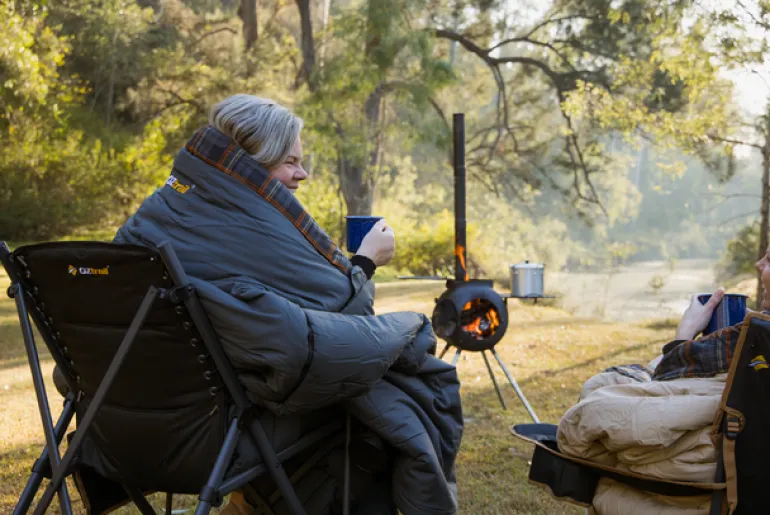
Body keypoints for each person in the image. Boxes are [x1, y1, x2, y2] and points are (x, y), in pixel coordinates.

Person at [110, 94, 463, 515]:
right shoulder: (250, 226)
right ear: (255, 162)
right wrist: (366, 261)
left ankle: (247, 506)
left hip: (119, 423)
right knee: (386, 392)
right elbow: (345, 305)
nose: (304, 174)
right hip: (215, 434)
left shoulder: (159, 210)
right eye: (291, 162)